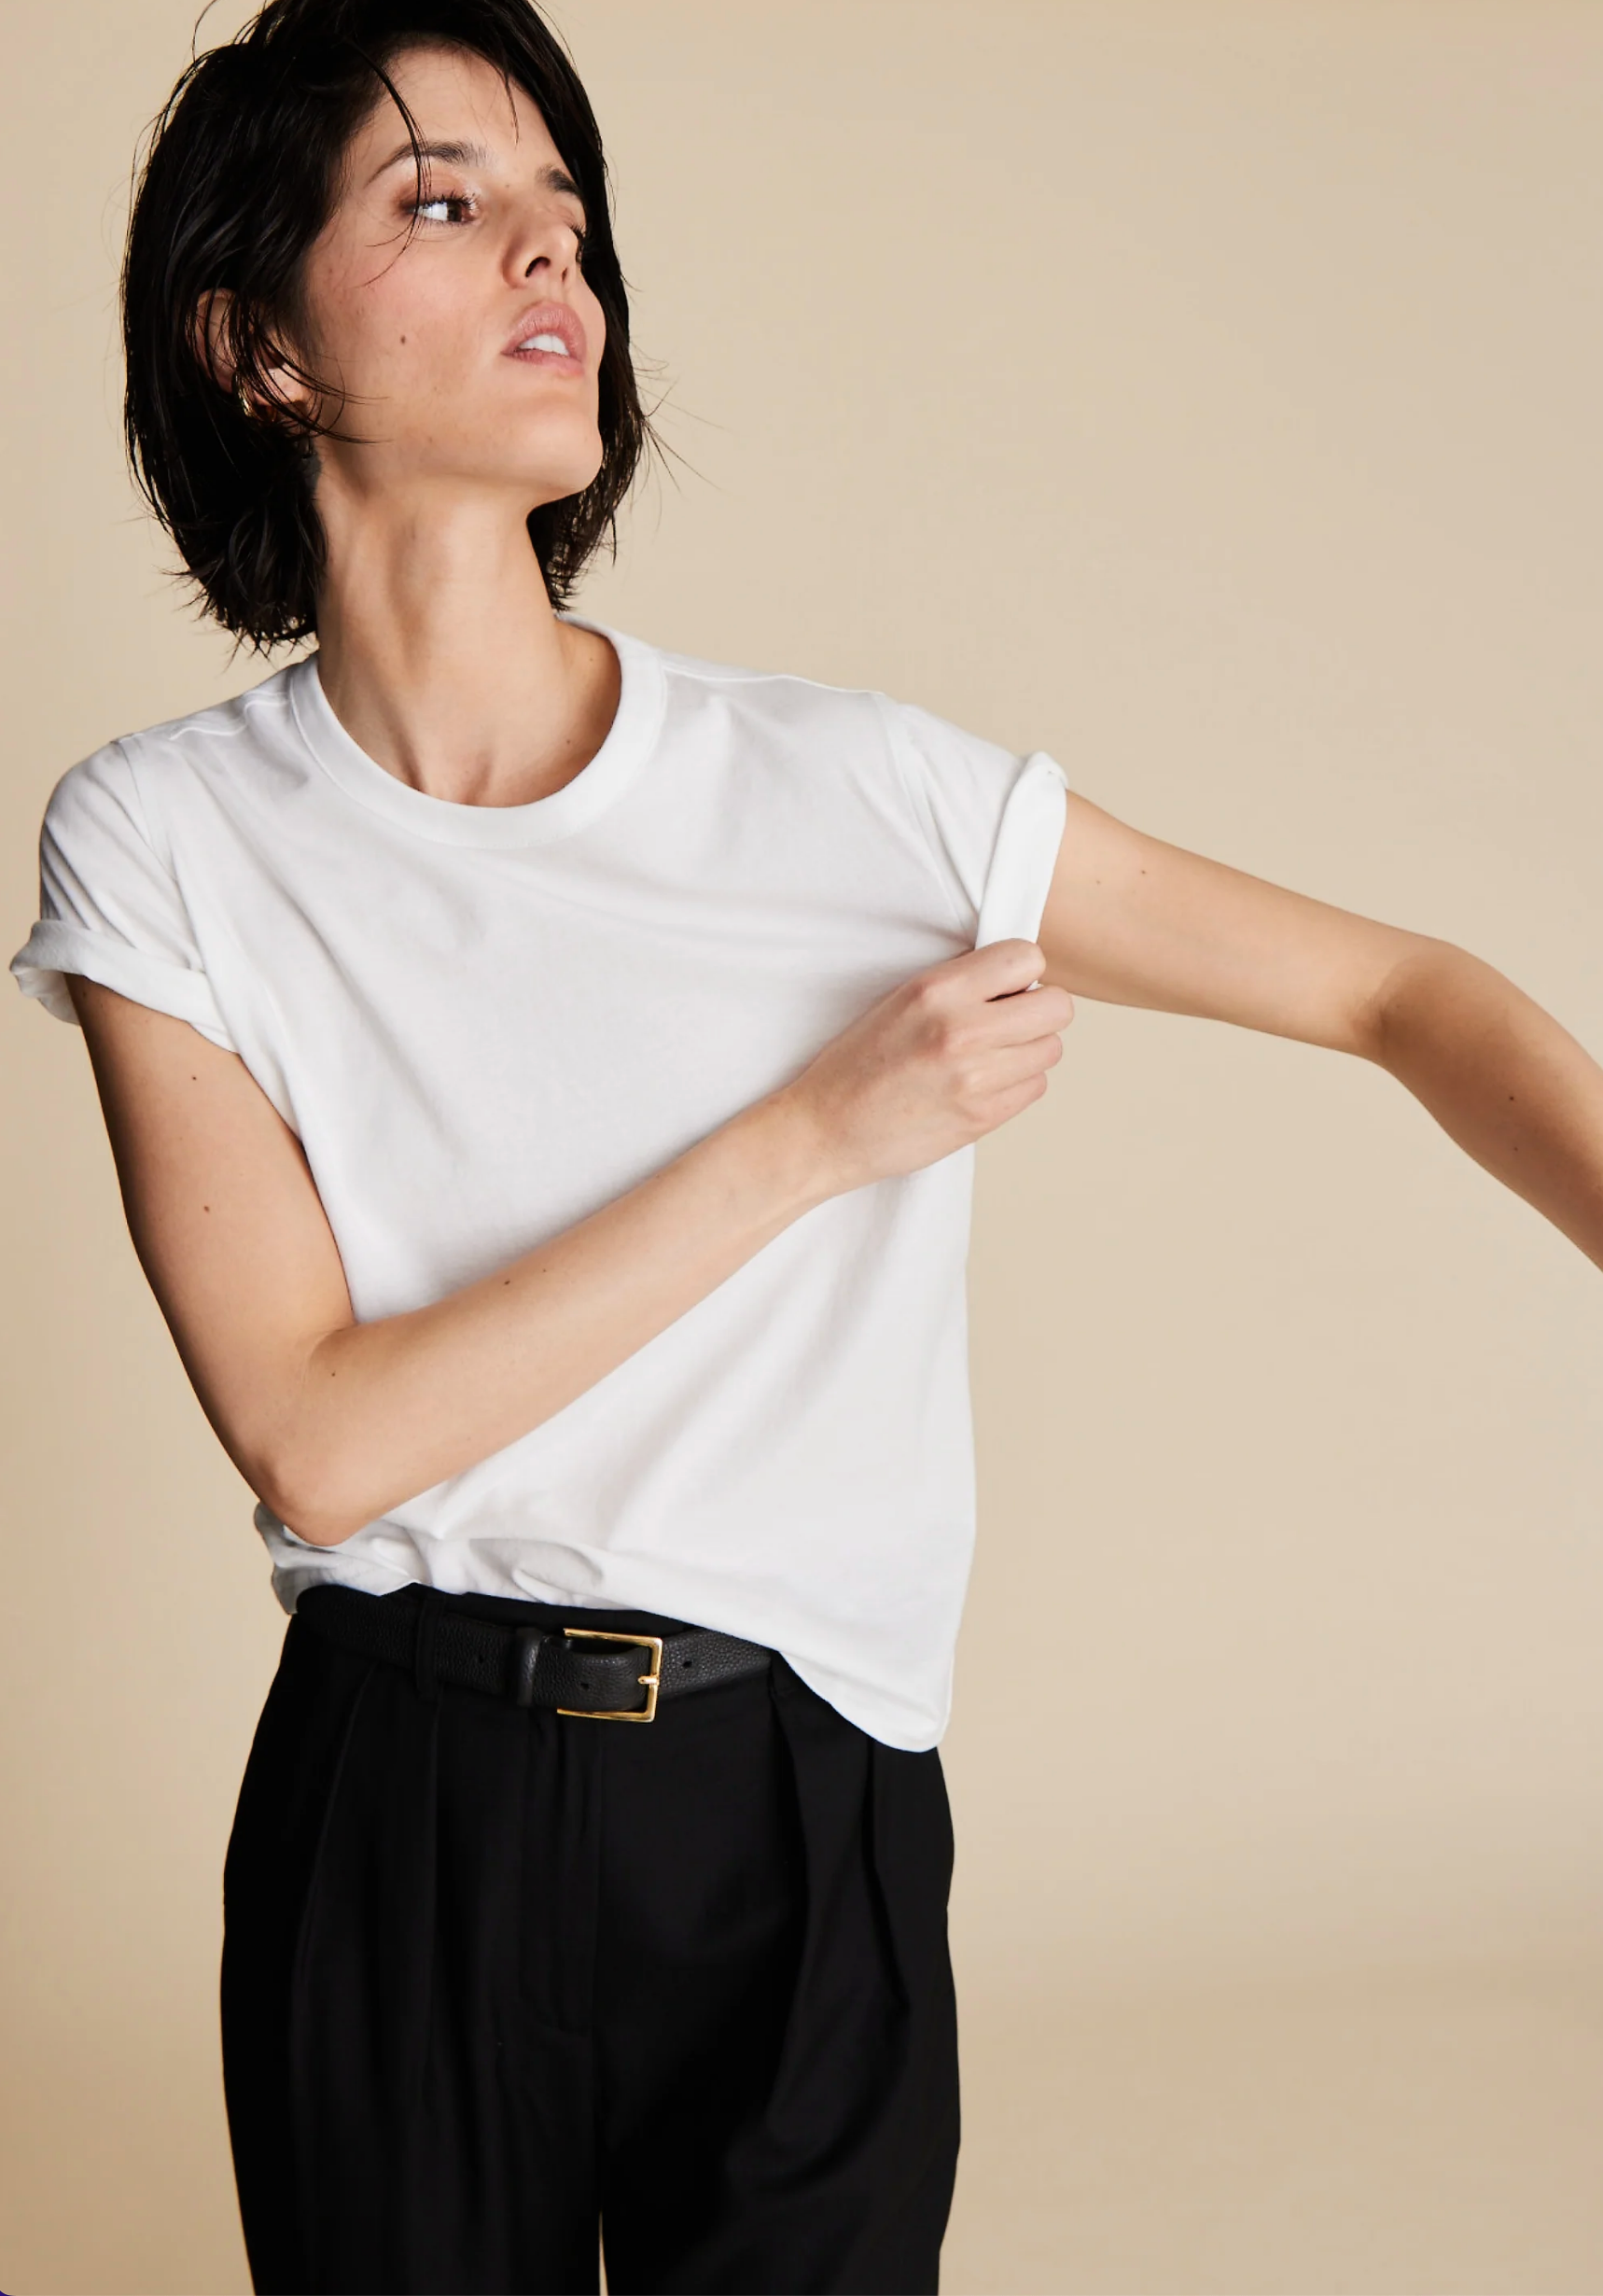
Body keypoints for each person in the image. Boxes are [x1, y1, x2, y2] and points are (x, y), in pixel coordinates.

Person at [10, 1, 1603, 2290]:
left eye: (569, 218)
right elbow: (318, 1439)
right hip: (401, 1793)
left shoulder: (857, 795)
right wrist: (817, 1135)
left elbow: (1399, 994)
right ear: (252, 343)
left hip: (802, 1791)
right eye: (444, 204)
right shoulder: (164, 840)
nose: (548, 263)